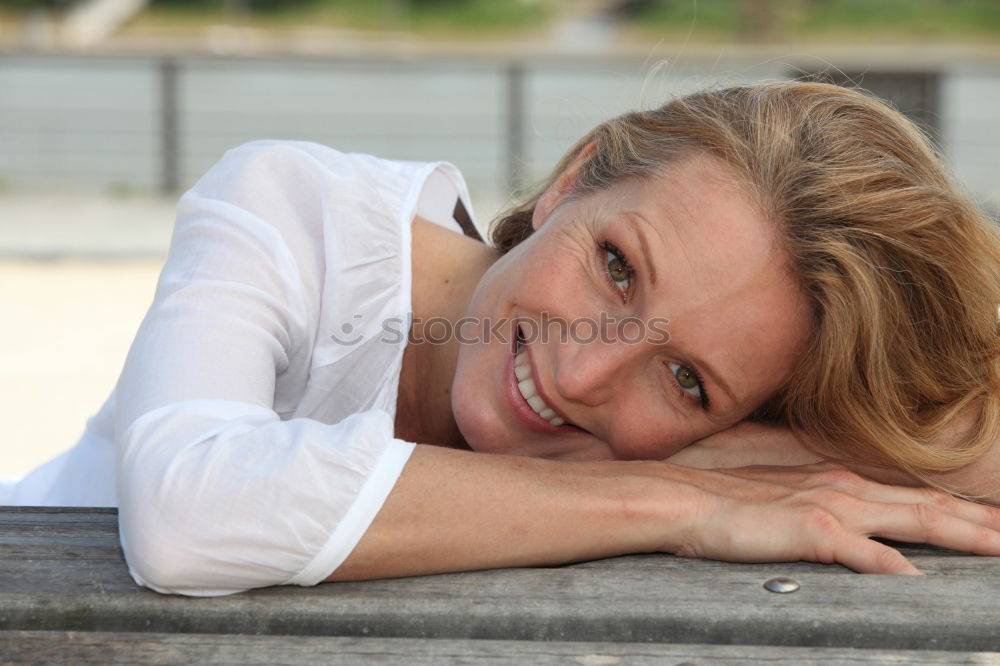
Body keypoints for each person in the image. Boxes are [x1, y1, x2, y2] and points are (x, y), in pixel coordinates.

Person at [4, 81, 999, 597]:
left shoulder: (719, 428)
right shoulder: (292, 212)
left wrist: (767, 453)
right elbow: (193, 516)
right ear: (571, 179)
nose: (583, 371)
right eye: (617, 265)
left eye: (686, 379)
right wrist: (688, 497)